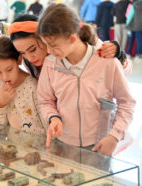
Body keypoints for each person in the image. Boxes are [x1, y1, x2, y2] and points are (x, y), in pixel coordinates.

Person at [37, 4, 135, 156]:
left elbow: (127, 102)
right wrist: (53, 117)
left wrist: (114, 136)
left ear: (72, 38)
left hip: (99, 145)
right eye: (46, 45)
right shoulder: (50, 64)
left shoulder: (106, 60)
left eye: (53, 45)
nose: (49, 51)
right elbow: (45, 100)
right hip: (62, 144)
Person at [9, 14, 132, 79]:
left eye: (33, 49)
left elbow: (123, 74)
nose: (29, 58)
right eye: (22, 53)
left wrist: (119, 55)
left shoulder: (75, 47)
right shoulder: (30, 63)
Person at [0, 36, 46, 136]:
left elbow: (47, 125)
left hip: (37, 148)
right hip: (14, 148)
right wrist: (1, 103)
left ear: (19, 60)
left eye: (9, 69)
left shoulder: (32, 86)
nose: (5, 77)